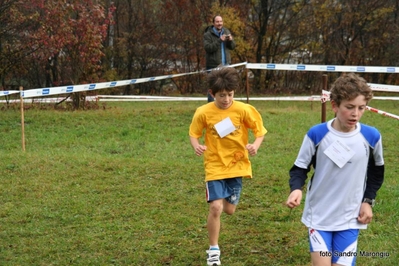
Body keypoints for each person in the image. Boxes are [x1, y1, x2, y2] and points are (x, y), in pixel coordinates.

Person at [286, 73, 385, 266]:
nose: (355, 114)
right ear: (334, 105)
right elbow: (299, 168)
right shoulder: (317, 134)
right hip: (319, 216)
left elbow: (377, 173)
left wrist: (368, 201)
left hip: (350, 218)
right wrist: (296, 188)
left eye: (361, 108)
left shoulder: (371, 137)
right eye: (349, 107)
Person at [189, 67, 267, 266]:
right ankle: (214, 250)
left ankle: (220, 205)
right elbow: (194, 133)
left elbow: (260, 131)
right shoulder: (203, 112)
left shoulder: (243, 110)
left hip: (237, 165)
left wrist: (254, 146)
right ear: (212, 93)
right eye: (222, 95)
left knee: (229, 210)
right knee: (216, 207)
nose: (226, 99)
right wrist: (197, 146)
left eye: (230, 95)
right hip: (214, 165)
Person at [203, 15, 236, 102]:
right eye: (217, 22)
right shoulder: (208, 34)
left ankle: (225, 104)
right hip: (213, 65)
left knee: (226, 87)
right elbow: (208, 48)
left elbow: (232, 47)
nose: (219, 23)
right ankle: (210, 107)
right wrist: (219, 40)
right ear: (213, 23)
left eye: (221, 21)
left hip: (226, 65)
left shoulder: (226, 31)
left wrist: (231, 40)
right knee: (213, 87)